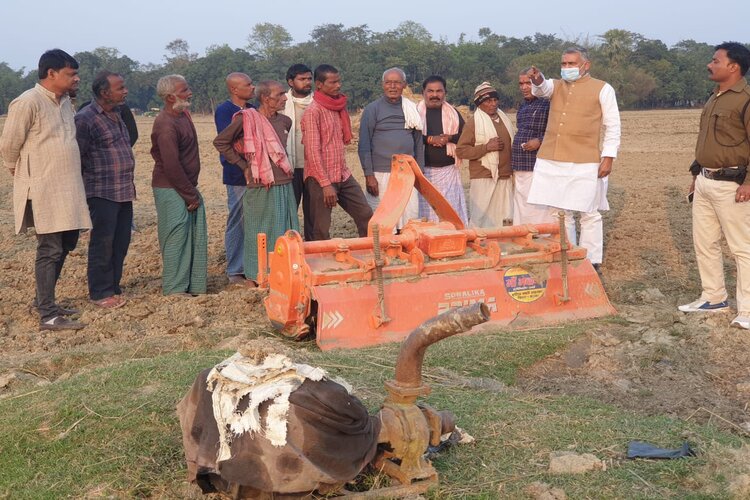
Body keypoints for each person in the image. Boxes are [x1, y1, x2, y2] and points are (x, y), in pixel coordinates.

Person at [0, 49, 91, 331]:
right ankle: (48, 315)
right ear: (51, 74)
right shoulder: (28, 102)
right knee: (50, 248)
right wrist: (18, 170)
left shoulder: (66, 103)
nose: (76, 79)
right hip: (44, 189)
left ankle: (45, 301)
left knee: (66, 244)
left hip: (69, 188)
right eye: (70, 74)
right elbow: (8, 145)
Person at [526, 47, 621, 272]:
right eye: (564, 64)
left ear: (585, 65)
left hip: (585, 159)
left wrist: (608, 157)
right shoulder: (556, 85)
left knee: (589, 212)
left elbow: (613, 125)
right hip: (553, 157)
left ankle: (591, 260)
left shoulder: (603, 89)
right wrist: (537, 79)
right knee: (560, 212)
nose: (567, 68)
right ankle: (566, 254)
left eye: (571, 64)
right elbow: (541, 89)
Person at [678, 42, 750, 330]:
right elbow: (705, 143)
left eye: (715, 60)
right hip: (706, 181)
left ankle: (748, 309)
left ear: (733, 67)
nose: (710, 64)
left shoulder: (745, 100)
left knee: (742, 248)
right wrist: (697, 176)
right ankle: (714, 297)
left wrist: (749, 182)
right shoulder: (714, 97)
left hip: (733, 185)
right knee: (704, 243)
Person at [213, 80, 299, 285]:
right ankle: (255, 274)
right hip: (260, 185)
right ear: (266, 98)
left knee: (285, 229)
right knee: (258, 230)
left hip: (284, 182)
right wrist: (243, 166)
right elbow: (221, 142)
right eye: (279, 95)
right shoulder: (247, 119)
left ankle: (282, 272)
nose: (285, 98)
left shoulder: (285, 121)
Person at [75, 71, 135, 309]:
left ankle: (113, 286)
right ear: (104, 92)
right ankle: (100, 292)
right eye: (120, 88)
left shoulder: (117, 114)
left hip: (123, 190)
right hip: (101, 192)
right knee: (103, 242)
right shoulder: (85, 118)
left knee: (121, 241)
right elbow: (77, 157)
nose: (125, 91)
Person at [301, 64, 372, 241]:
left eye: (339, 81)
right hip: (320, 178)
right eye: (333, 82)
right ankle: (320, 265)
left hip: (342, 174)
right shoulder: (312, 112)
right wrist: (325, 185)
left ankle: (369, 253)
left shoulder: (337, 106)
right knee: (320, 228)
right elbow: (312, 152)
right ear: (319, 85)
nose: (338, 85)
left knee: (365, 215)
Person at [150, 74, 207, 296]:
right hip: (171, 189)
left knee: (190, 238)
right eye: (185, 90)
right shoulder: (165, 124)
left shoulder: (183, 115)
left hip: (184, 187)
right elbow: (171, 165)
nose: (189, 93)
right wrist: (189, 195)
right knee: (176, 237)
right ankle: (175, 289)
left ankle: (191, 285)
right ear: (170, 96)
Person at [358, 67, 424, 229]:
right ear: (383, 85)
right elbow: (364, 145)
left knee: (409, 214)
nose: (392, 87)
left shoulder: (412, 110)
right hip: (381, 174)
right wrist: (369, 175)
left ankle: (406, 248)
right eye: (388, 83)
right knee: (382, 216)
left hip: (406, 172)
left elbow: (418, 144)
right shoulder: (372, 109)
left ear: (404, 85)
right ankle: (385, 249)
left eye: (396, 83)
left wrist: (419, 173)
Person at [214, 72, 255, 285]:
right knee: (238, 221)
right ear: (234, 89)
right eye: (248, 85)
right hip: (236, 175)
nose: (253, 87)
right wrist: (242, 165)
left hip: (256, 174)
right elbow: (226, 141)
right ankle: (235, 270)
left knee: (254, 221)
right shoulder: (225, 111)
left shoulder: (252, 110)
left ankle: (252, 266)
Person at [456, 82, 515, 228]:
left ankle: (503, 246)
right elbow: (461, 150)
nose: (493, 104)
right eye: (488, 101)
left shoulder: (505, 119)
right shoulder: (473, 123)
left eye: (495, 100)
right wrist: (486, 147)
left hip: (505, 176)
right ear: (479, 104)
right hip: (483, 176)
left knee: (505, 216)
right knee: (481, 218)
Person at [417, 75, 467, 225]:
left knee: (450, 214)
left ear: (445, 93)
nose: (434, 95)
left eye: (439, 91)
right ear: (423, 92)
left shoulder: (453, 114)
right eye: (430, 91)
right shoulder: (414, 113)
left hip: (449, 174)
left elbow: (465, 137)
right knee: (426, 215)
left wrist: (449, 138)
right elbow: (409, 136)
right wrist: (430, 139)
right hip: (423, 174)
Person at [512, 69, 553, 225]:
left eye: (528, 83)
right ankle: (523, 237)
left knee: (538, 206)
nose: (524, 87)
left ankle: (542, 238)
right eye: (521, 83)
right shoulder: (522, 107)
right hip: (520, 164)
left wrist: (540, 141)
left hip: (537, 165)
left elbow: (557, 131)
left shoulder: (548, 103)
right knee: (522, 203)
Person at [281, 64, 313, 209]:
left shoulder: (318, 102)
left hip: (313, 167)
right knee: (289, 209)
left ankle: (312, 234)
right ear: (290, 82)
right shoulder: (281, 102)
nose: (307, 82)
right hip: (289, 167)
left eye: (309, 78)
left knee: (314, 211)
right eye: (302, 79)